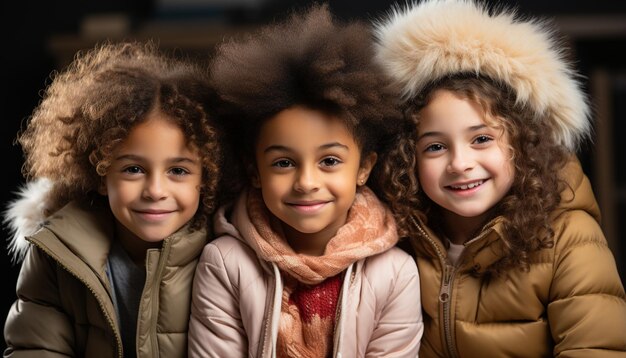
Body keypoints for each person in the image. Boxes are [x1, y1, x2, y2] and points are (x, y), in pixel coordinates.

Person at [373, 0, 626, 356]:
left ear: (524, 144)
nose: (460, 163)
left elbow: (598, 347)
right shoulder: (399, 235)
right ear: (406, 158)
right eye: (434, 147)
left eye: (481, 139)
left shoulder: (569, 237)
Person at [188, 4, 423, 357]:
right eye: (284, 163)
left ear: (364, 168)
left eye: (329, 161)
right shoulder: (225, 264)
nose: (306, 182)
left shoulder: (395, 273)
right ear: (255, 170)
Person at [3, 41, 223, 357]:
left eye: (177, 170)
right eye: (133, 169)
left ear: (206, 178)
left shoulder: (224, 253)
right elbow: (34, 348)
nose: (155, 190)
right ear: (102, 175)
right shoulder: (58, 254)